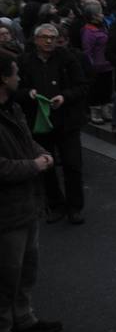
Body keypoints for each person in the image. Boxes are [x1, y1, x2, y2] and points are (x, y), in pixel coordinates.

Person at [0, 52, 61, 332]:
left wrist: (42, 154)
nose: (20, 78)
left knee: (27, 267)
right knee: (5, 275)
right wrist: (35, 165)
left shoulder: (13, 108)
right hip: (6, 213)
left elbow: (27, 141)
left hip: (27, 204)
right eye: (15, 73)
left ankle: (24, 318)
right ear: (3, 79)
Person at [19, 23, 87, 225]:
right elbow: (15, 89)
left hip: (67, 122)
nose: (49, 41)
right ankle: (55, 204)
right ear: (36, 39)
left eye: (53, 37)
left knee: (73, 165)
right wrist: (27, 94)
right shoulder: (25, 61)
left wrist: (64, 97)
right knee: (46, 167)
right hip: (39, 124)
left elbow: (82, 86)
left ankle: (75, 207)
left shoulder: (67, 59)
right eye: (45, 37)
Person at [81, 4, 113, 125]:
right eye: (100, 13)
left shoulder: (104, 26)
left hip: (107, 65)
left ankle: (106, 111)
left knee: (106, 89)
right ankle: (95, 113)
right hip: (96, 67)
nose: (102, 15)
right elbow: (87, 51)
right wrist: (90, 66)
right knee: (96, 91)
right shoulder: (88, 31)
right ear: (93, 16)